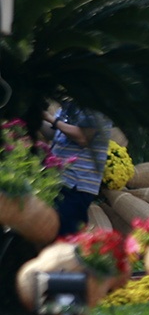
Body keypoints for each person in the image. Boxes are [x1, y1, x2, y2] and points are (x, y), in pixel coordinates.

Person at [46, 100, 110, 237]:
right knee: (45, 232)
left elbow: (83, 137)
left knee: (64, 238)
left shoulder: (96, 105)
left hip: (77, 185)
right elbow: (55, 134)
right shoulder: (70, 104)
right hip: (58, 180)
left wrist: (51, 119)